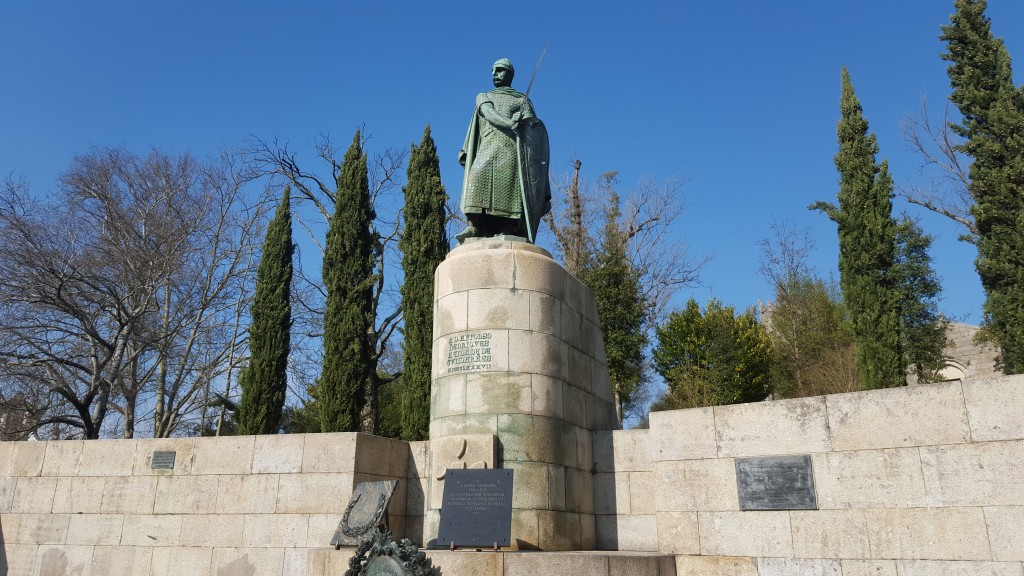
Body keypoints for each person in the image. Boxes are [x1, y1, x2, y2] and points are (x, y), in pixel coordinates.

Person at [457, 58, 550, 243]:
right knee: (476, 179)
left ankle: (510, 227)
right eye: (493, 70)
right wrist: (510, 122)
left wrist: (524, 119)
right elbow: (490, 114)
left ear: (510, 74)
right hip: (488, 147)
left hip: (512, 152)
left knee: (510, 190)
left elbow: (533, 131)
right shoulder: (483, 96)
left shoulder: (522, 100)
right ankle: (475, 225)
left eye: (499, 70)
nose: (495, 74)